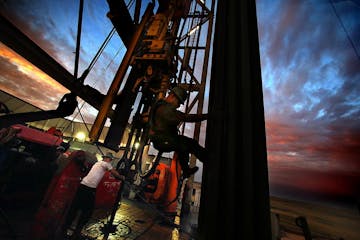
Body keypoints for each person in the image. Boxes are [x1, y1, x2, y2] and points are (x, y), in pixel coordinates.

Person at [148, 86, 208, 178]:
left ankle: (186, 170)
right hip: (162, 140)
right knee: (189, 144)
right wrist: (207, 116)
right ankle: (208, 159)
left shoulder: (160, 105)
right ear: (172, 96)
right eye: (179, 102)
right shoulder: (165, 110)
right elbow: (186, 117)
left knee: (183, 146)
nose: (179, 105)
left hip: (163, 139)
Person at [61, 152, 123, 240]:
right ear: (108, 159)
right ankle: (77, 232)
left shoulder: (98, 163)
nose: (110, 161)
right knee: (87, 211)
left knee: (74, 208)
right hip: (89, 188)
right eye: (110, 159)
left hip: (82, 185)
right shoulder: (105, 163)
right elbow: (114, 173)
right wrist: (121, 177)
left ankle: (64, 229)